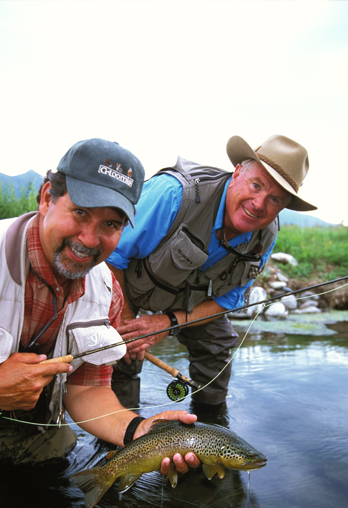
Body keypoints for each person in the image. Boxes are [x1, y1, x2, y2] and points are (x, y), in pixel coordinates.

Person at [0, 138, 199, 508]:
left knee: (50, 477)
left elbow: (86, 390)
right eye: (81, 212)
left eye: (110, 224)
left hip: (31, 429)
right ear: (45, 199)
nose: (89, 239)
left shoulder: (106, 290)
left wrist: (139, 431)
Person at [107, 134, 317, 408]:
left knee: (217, 344)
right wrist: (124, 321)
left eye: (275, 199)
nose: (259, 203)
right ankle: (120, 435)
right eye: (256, 185)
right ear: (238, 172)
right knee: (120, 350)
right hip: (125, 284)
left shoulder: (265, 237)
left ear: (284, 206)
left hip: (189, 302)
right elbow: (112, 255)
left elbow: (227, 301)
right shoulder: (174, 194)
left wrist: (167, 322)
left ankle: (211, 426)